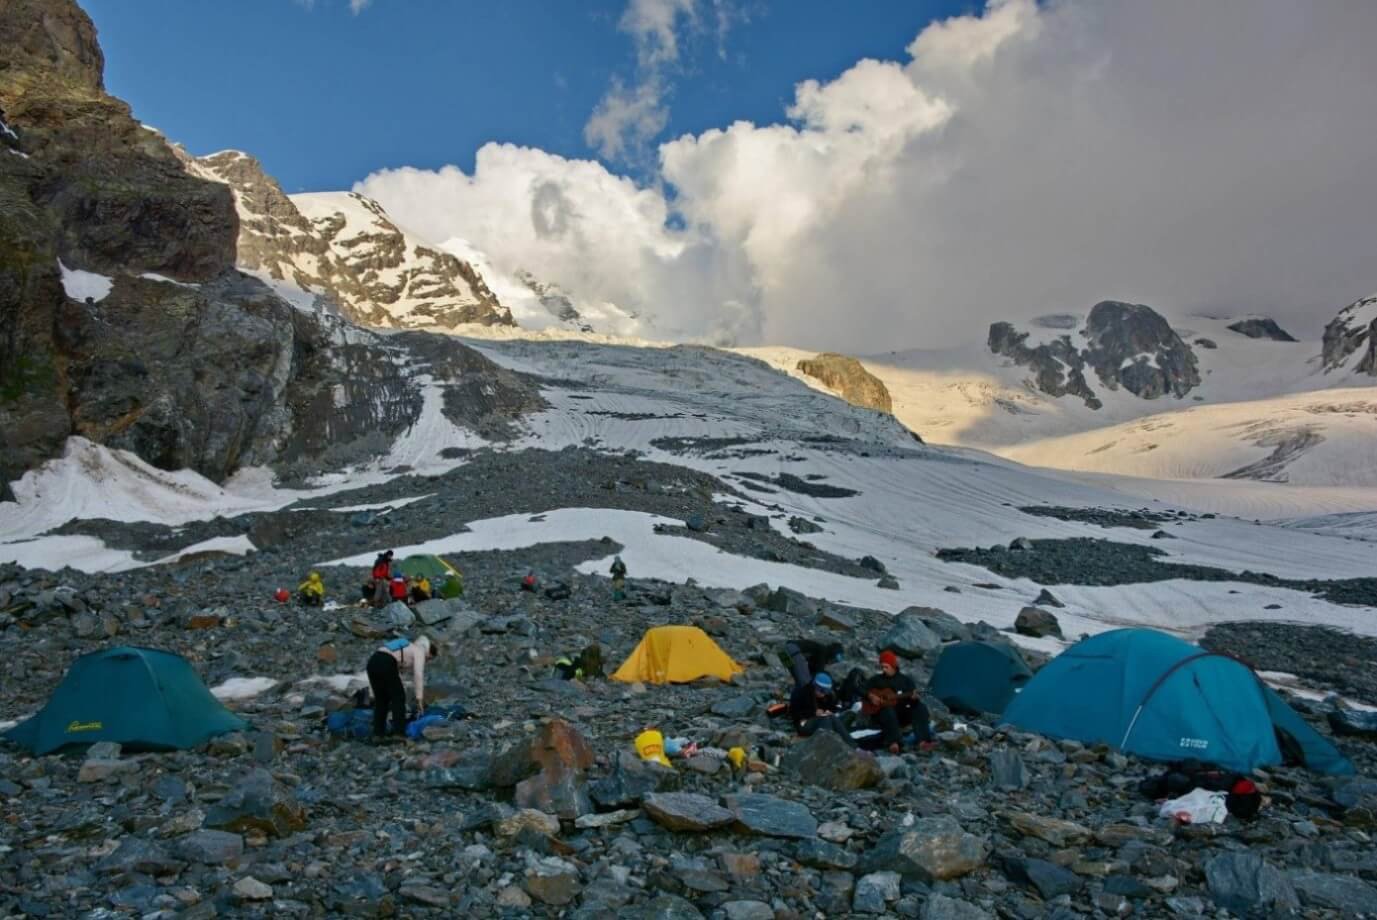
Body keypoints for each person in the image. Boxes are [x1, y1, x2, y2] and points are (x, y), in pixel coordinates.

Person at [365, 635, 438, 738]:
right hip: (386, 662)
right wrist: (419, 698)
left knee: (381, 700)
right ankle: (399, 733)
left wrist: (372, 692)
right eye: (428, 659)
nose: (427, 661)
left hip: (373, 662)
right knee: (399, 697)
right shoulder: (419, 651)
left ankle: (378, 734)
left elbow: (395, 675)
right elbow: (418, 674)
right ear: (428, 651)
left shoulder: (407, 646)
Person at [862, 650, 933, 754]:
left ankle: (923, 741)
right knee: (888, 710)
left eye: (886, 667)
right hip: (883, 715)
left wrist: (914, 698)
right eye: (882, 667)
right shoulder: (876, 680)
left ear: (893, 665)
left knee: (920, 707)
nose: (884, 670)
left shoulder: (905, 680)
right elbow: (862, 689)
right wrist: (871, 696)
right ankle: (894, 743)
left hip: (901, 713)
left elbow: (912, 696)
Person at [789, 672, 853, 743]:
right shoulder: (802, 693)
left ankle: (853, 745)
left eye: (826, 692)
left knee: (831, 717)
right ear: (815, 686)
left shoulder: (825, 696)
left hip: (817, 720)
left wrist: (829, 711)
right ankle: (826, 743)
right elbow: (795, 713)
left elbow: (833, 707)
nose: (824, 694)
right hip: (803, 723)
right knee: (826, 719)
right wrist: (813, 713)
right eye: (822, 691)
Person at [779, 639, 844, 688]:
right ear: (832, 654)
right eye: (834, 660)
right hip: (792, 651)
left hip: (783, 651)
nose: (832, 662)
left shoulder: (819, 650)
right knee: (805, 682)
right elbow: (819, 672)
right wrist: (831, 682)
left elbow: (811, 669)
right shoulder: (823, 652)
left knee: (795, 676)